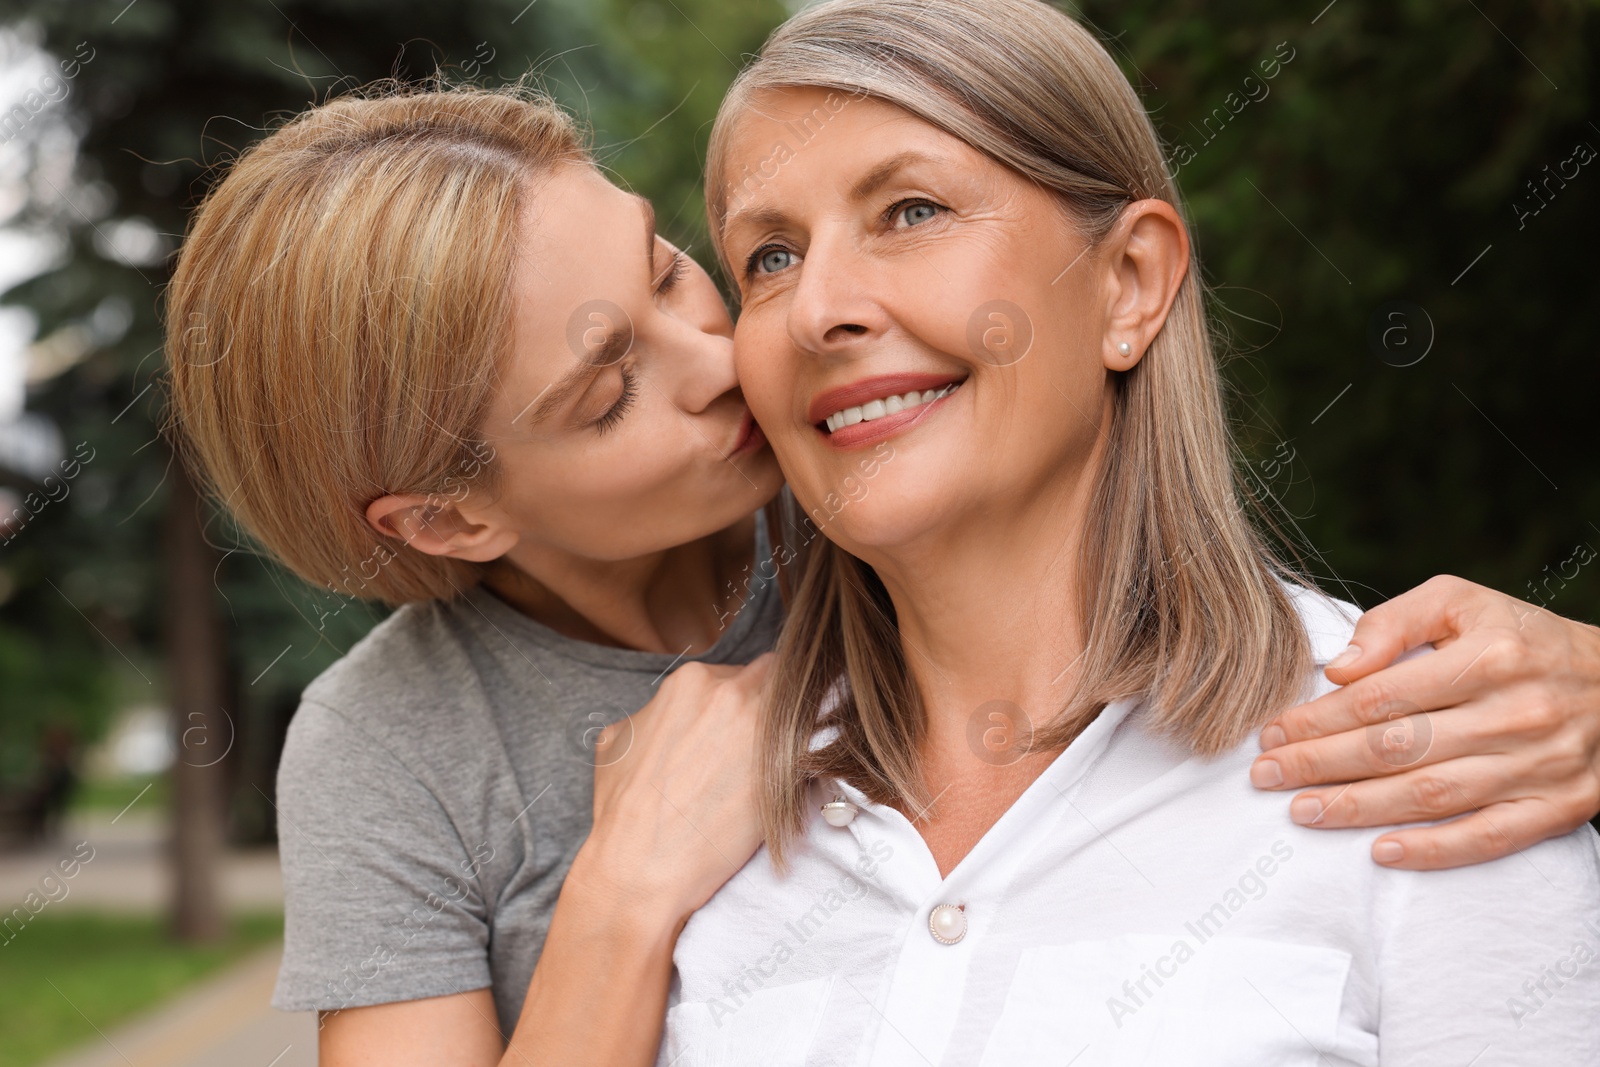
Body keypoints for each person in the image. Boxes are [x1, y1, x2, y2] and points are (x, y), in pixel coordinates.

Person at [159, 78, 1600, 1067]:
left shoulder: (888, 477)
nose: (727, 358)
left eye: (673, 270)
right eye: (607, 395)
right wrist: (622, 896)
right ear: (448, 518)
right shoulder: (394, 745)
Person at [656, 1, 1600, 1064]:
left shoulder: (1441, 755)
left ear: (1129, 282)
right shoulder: (693, 818)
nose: (819, 304)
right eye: (769, 256)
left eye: (911, 211)